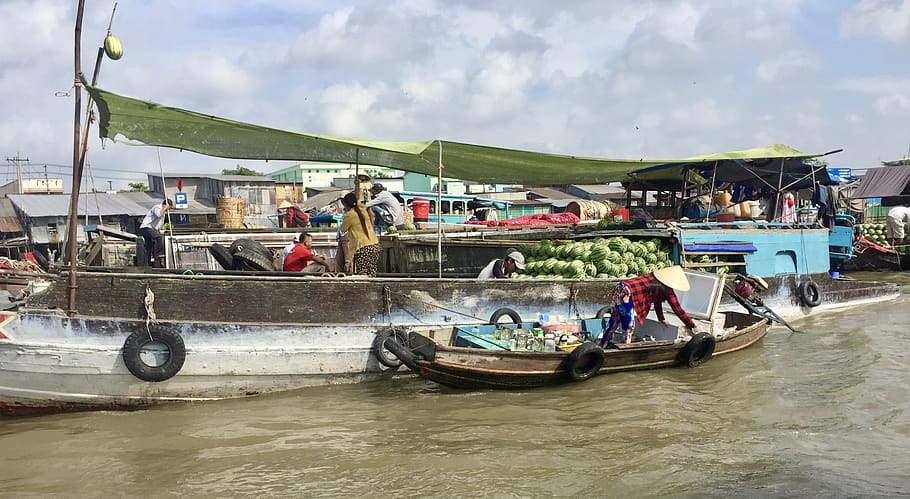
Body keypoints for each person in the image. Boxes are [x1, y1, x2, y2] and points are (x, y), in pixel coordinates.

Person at [600, 265, 702, 346]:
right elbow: (678, 310)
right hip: (627, 294)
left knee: (615, 319)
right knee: (629, 326)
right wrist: (692, 325)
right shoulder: (668, 291)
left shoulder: (653, 278)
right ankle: (625, 351)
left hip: (620, 286)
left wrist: (661, 318)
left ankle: (603, 344)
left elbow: (657, 301)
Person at [339, 192, 381, 276]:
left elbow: (343, 229)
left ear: (346, 204)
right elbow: (359, 203)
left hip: (362, 247)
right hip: (374, 245)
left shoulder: (349, 215)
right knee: (371, 274)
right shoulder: (362, 210)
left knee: (362, 274)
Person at [138, 199, 173, 268]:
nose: (167, 210)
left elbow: (158, 224)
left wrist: (159, 230)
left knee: (149, 247)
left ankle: (148, 265)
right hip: (146, 227)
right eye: (168, 208)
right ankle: (158, 253)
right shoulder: (157, 207)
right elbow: (158, 215)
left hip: (151, 229)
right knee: (158, 237)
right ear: (165, 205)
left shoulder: (163, 212)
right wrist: (165, 207)